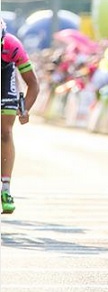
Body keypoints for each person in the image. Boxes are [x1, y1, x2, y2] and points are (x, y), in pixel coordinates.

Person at [1, 18, 40, 214]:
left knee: (5, 132)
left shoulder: (12, 45)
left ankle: (6, 189)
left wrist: (26, 109)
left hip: (5, 80)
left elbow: (33, 84)